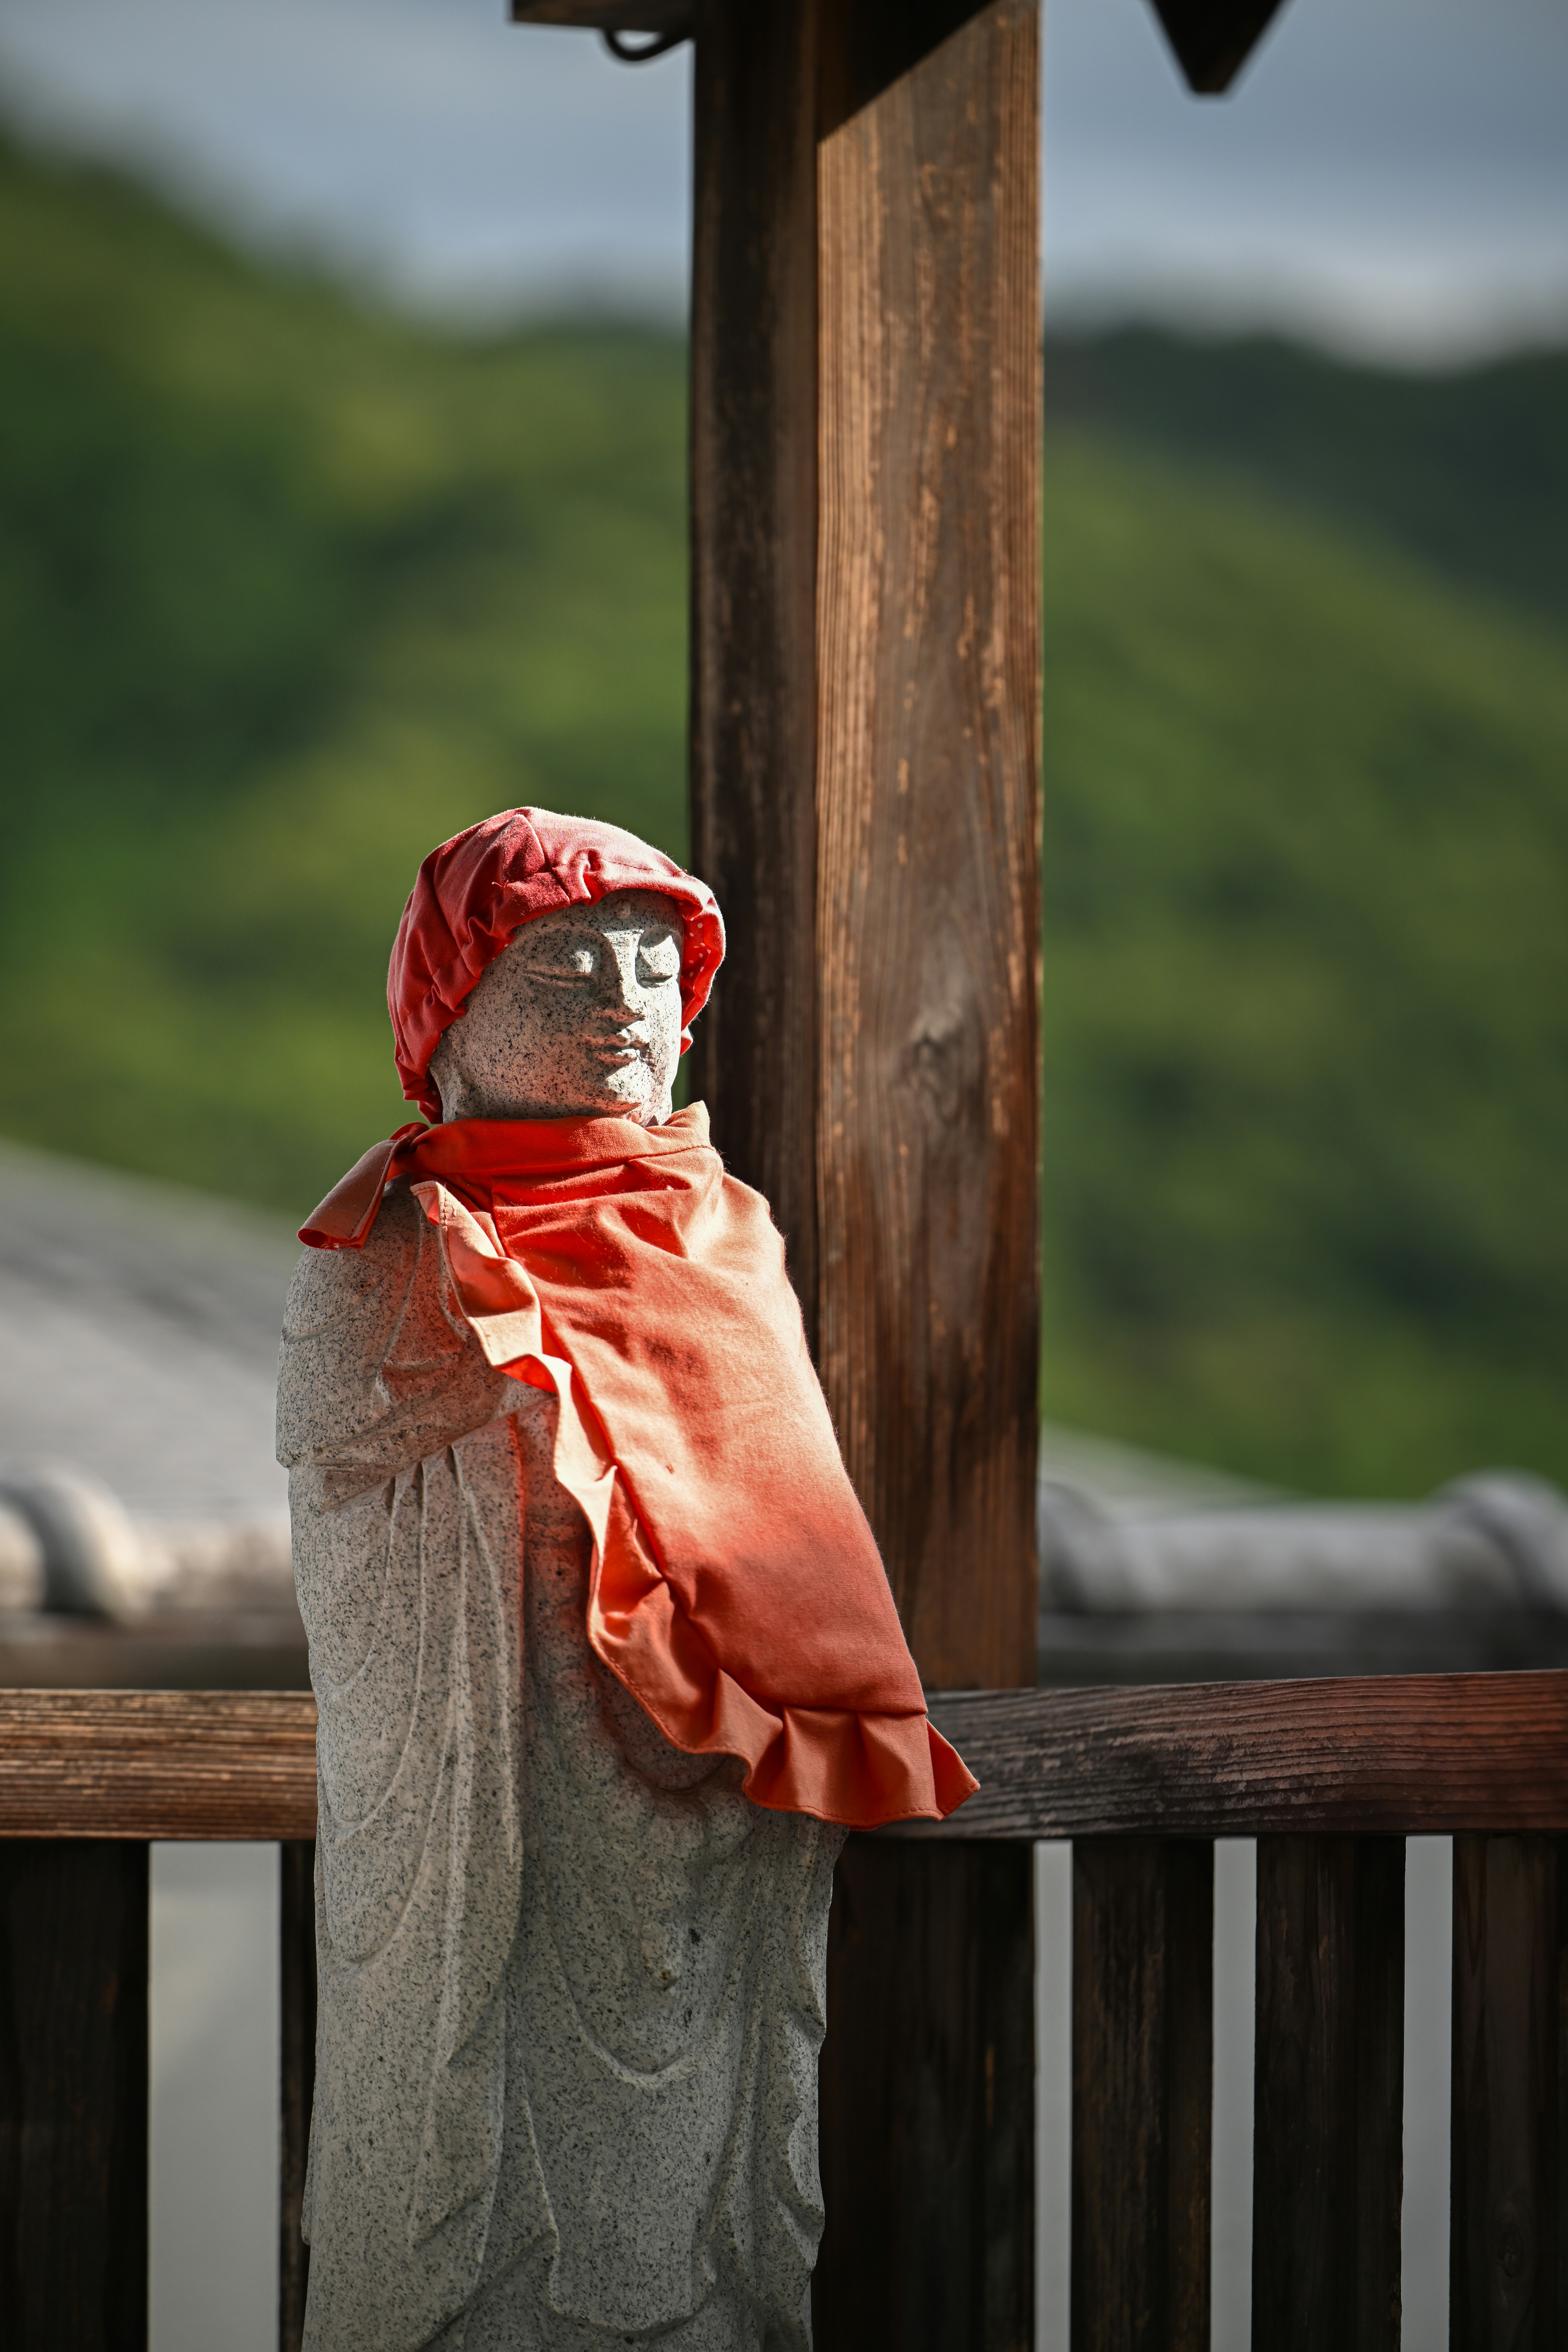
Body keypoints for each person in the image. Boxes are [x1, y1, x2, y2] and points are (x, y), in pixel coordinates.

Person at [277, 807, 973, 2352]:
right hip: (492, 1834)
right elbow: (342, 1480)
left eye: (656, 969)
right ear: (451, 1009)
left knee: (706, 2248)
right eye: (569, 968)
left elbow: (786, 1524)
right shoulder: (394, 1247)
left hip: (709, 1837)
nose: (625, 1005)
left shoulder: (722, 1232)